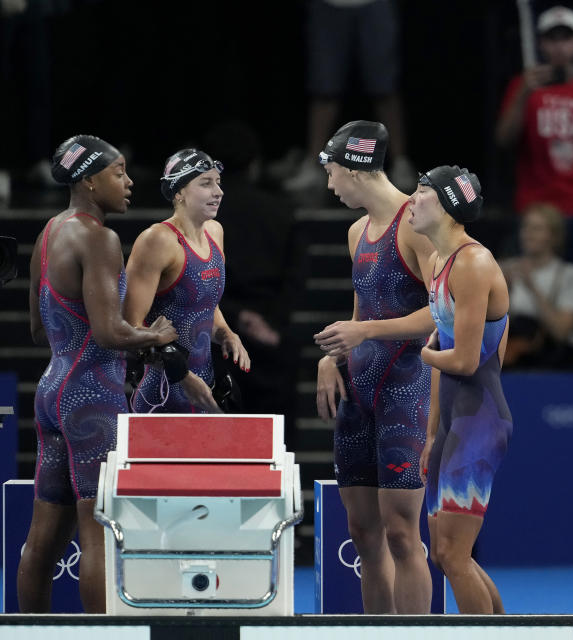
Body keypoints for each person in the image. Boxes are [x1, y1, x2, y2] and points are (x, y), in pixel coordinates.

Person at [21, 135, 177, 612]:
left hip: (52, 389)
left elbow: (34, 329)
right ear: (89, 179)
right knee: (99, 535)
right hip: (92, 397)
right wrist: (156, 336)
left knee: (44, 536)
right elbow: (109, 334)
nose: (129, 183)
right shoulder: (98, 236)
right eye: (119, 173)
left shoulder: (49, 234)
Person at [312, 120, 435, 614]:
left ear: (351, 170)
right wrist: (333, 355)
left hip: (406, 388)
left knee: (403, 534)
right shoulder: (356, 231)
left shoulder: (418, 222)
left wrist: (363, 334)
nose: (328, 185)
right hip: (359, 393)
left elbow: (440, 312)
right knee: (363, 533)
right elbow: (362, 310)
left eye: (331, 173)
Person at [408, 165, 511, 614]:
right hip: (454, 419)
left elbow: (466, 361)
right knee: (446, 555)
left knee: (452, 555)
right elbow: (445, 350)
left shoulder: (473, 263)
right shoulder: (438, 260)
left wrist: (420, 353)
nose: (411, 199)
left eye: (421, 191)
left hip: (479, 419)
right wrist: (432, 433)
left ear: (448, 205)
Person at [123, 148, 249, 413]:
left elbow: (204, 303)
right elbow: (129, 326)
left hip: (203, 387)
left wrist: (225, 331)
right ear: (178, 192)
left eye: (218, 182)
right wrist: (181, 373)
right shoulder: (157, 240)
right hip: (161, 392)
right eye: (206, 183)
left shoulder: (215, 232)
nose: (218, 191)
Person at [202, 121, 301, 424]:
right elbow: (296, 278)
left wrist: (238, 316)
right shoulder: (281, 211)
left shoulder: (204, 215)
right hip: (270, 339)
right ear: (254, 164)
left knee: (217, 440)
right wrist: (269, 324)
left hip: (216, 340)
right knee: (275, 441)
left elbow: (197, 279)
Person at [494, 5, 573, 269]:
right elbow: (503, 139)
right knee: (535, 284)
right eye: (552, 39)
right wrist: (523, 93)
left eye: (566, 38)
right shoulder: (523, 87)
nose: (559, 47)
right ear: (541, 44)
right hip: (537, 207)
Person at [283, 0, 416, 194]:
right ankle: (313, 164)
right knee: (324, 89)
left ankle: (401, 162)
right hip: (328, 5)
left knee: (385, 88)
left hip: (376, 4)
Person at [500, 202, 573, 369]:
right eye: (525, 227)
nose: (528, 234)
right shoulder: (502, 269)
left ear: (554, 236)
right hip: (512, 362)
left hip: (556, 365)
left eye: (537, 229)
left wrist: (532, 287)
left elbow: (562, 332)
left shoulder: (570, 274)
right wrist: (504, 289)